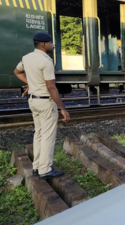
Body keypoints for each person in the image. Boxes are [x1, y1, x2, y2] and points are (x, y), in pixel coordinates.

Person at [13, 33, 70, 180]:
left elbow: (17, 72)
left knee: (38, 134)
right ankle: (45, 170)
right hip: (45, 102)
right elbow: (51, 88)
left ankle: (37, 167)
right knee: (48, 136)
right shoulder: (46, 61)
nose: (53, 45)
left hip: (33, 101)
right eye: (51, 42)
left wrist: (31, 83)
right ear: (44, 44)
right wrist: (62, 108)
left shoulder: (27, 58)